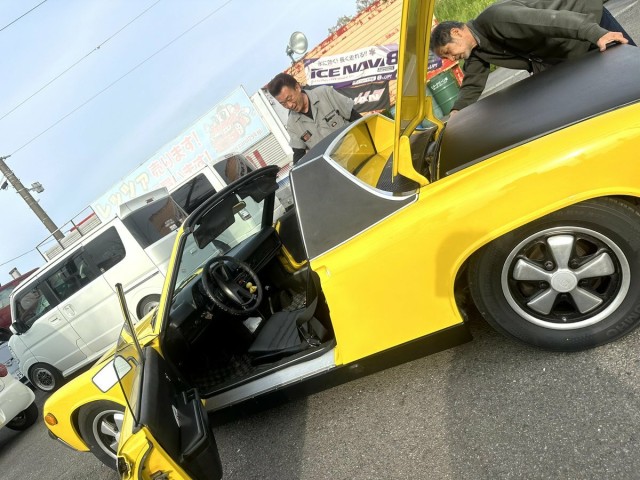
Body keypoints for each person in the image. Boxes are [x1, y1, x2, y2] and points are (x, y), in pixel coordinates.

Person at [431, 0, 636, 113]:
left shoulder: (496, 19)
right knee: (604, 99)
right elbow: (472, 84)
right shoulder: (476, 50)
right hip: (565, 50)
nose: (452, 58)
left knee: (632, 76)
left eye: (448, 51)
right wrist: (457, 112)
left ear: (457, 33)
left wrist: (595, 33)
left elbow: (550, 21)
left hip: (587, 22)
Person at [267, 73, 362, 164]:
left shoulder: (325, 93)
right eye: (283, 103)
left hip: (360, 154)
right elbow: (298, 155)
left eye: (289, 98)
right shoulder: (292, 124)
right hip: (336, 167)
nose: (289, 105)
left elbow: (357, 119)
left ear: (297, 87)